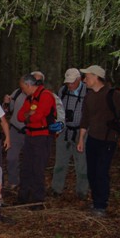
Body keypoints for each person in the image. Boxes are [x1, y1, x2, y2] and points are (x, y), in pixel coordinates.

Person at [77, 65, 120, 217]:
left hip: (108, 139)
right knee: (92, 172)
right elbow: (85, 119)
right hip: (92, 139)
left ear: (96, 77)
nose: (84, 80)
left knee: (101, 172)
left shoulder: (113, 94)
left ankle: (101, 205)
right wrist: (81, 139)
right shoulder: (89, 96)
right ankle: (96, 201)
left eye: (87, 77)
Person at [17, 74, 57, 210]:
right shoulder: (29, 98)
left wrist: (29, 116)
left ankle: (37, 200)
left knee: (38, 168)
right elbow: (19, 116)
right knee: (26, 167)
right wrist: (29, 115)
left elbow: (39, 115)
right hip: (29, 136)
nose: (22, 90)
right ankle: (23, 197)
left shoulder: (46, 96)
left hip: (42, 136)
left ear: (29, 85)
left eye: (23, 88)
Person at [51, 69, 89, 200]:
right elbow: (57, 108)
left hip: (82, 132)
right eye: (68, 83)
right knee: (60, 162)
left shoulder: (88, 92)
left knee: (82, 164)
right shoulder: (63, 91)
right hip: (64, 131)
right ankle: (56, 189)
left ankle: (82, 191)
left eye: (72, 83)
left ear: (79, 80)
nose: (70, 85)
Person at [3, 80, 29, 190]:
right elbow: (8, 109)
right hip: (15, 130)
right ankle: (13, 181)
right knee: (11, 157)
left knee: (30, 159)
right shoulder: (18, 92)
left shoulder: (42, 96)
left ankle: (27, 183)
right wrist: (6, 102)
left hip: (31, 132)